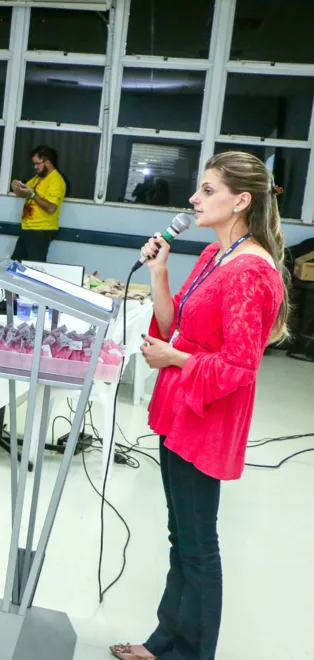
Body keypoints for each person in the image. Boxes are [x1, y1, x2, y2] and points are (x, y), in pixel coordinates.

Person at [110, 151, 289, 660]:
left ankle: (191, 654)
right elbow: (177, 327)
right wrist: (160, 273)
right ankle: (166, 641)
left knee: (198, 546)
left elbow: (239, 368)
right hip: (181, 408)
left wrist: (175, 357)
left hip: (207, 417)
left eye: (208, 190)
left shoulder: (251, 272)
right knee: (180, 536)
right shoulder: (215, 256)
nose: (194, 198)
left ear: (242, 200)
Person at [11, 145, 66, 262]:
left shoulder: (56, 181)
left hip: (41, 230)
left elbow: (51, 208)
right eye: (34, 164)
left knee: (33, 268)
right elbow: (25, 193)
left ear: (47, 162)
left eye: (37, 163)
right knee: (15, 265)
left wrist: (33, 195)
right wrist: (16, 187)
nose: (35, 167)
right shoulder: (38, 178)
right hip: (28, 228)